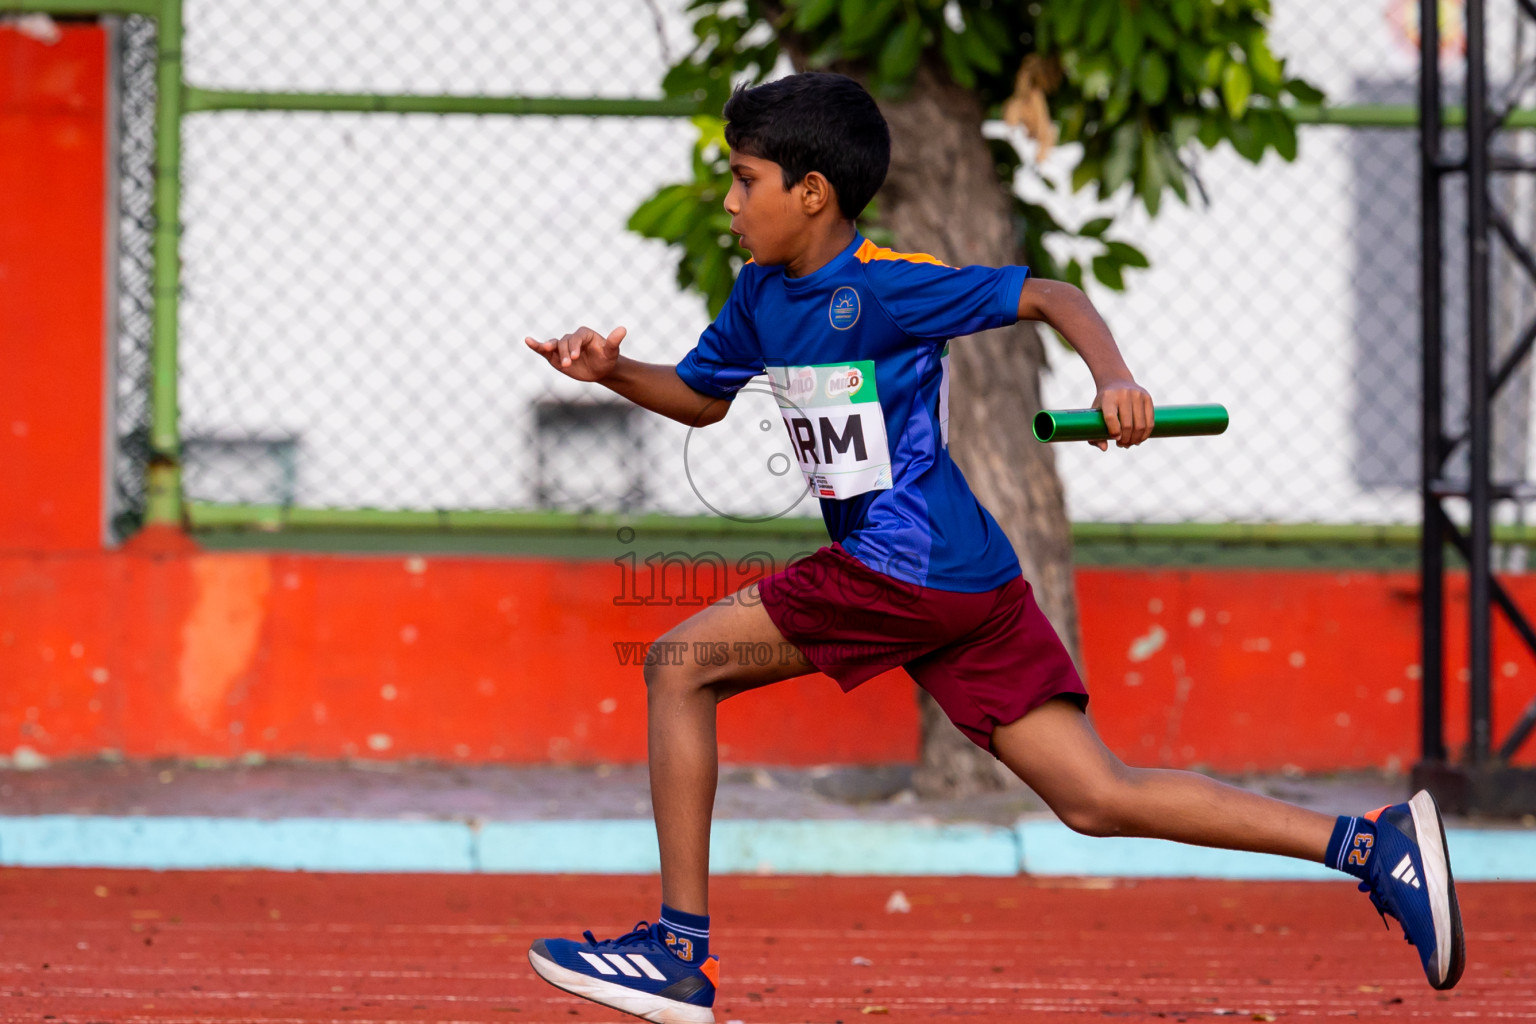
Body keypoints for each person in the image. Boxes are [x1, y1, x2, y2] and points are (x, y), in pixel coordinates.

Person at [522, 72, 1464, 1024]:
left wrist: (1116, 382)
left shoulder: (888, 287)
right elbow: (702, 394)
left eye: (743, 179)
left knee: (681, 667)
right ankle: (1369, 845)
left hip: (903, 567)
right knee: (1095, 795)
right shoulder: (762, 295)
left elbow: (1052, 294)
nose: (728, 201)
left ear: (811, 192)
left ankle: (680, 954)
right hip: (964, 581)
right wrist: (610, 372)